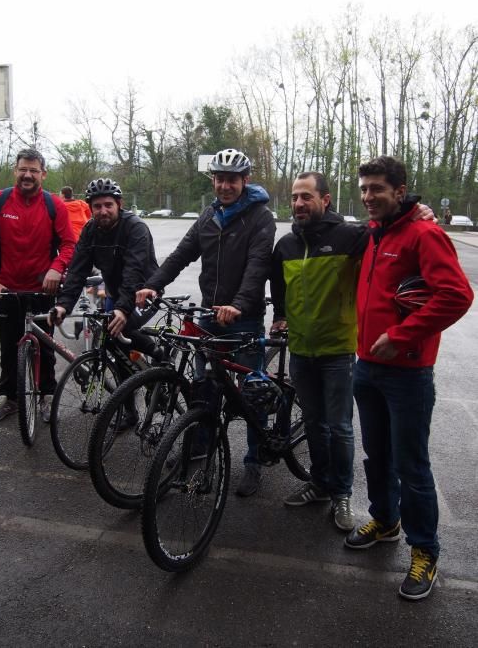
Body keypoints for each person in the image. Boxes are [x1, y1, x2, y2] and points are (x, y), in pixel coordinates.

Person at [345, 155, 473, 601]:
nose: (368, 197)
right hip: (366, 367)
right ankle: (385, 520)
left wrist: (402, 335)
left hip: (408, 375)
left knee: (411, 465)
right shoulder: (375, 234)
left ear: (400, 191)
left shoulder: (424, 233)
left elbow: (458, 295)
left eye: (377, 188)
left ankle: (425, 550)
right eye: (364, 189)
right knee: (376, 455)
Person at [136, 148, 276, 497]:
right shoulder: (209, 215)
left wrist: (239, 305)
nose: (225, 185)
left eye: (232, 179)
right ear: (213, 180)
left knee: (251, 396)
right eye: (220, 179)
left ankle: (254, 461)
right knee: (204, 390)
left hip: (243, 319)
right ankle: (200, 449)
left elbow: (258, 267)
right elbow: (181, 255)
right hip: (209, 317)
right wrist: (154, 283)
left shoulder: (261, 217)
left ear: (245, 180)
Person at [271, 172, 368, 531]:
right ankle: (320, 484)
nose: (298, 203)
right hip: (301, 349)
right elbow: (277, 284)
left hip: (338, 349)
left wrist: (416, 209)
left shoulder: (349, 236)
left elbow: (388, 230)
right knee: (313, 422)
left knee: (340, 427)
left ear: (325, 200)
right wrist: (280, 316)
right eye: (295, 197)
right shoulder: (286, 245)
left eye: (306, 197)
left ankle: (342, 493)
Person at [0, 148, 75, 424]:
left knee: (45, 347)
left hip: (44, 290)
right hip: (6, 290)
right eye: (23, 169)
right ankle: (11, 399)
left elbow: (68, 244)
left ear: (43, 174)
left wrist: (56, 268)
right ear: (15, 171)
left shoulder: (54, 205)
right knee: (8, 346)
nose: (27, 175)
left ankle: (45, 397)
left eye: (33, 170)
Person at [51, 178, 161, 424]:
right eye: (97, 206)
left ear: (119, 204)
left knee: (123, 327)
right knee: (116, 345)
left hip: (144, 293)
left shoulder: (135, 227)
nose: (103, 211)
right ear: (90, 207)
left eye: (108, 205)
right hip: (114, 294)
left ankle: (159, 357)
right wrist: (63, 305)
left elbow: (134, 271)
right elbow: (78, 270)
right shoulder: (90, 230)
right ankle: (129, 410)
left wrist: (123, 309)